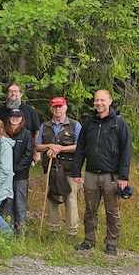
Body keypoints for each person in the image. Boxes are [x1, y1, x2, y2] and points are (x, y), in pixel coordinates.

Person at [72, 89, 132, 255]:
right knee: (90, 210)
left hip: (111, 175)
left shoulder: (119, 123)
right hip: (91, 173)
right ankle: (89, 240)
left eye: (102, 100)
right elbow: (80, 149)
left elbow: (126, 150)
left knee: (112, 211)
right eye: (96, 100)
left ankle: (111, 243)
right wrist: (76, 171)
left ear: (110, 101)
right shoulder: (88, 123)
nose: (99, 103)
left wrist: (123, 176)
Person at [35, 97, 82, 236]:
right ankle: (54, 229)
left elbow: (80, 146)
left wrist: (60, 149)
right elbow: (37, 146)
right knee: (52, 199)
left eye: (60, 106)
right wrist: (50, 146)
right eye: (55, 107)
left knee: (71, 199)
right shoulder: (44, 126)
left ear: (65, 107)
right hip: (51, 168)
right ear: (51, 109)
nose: (57, 109)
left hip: (69, 169)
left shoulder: (75, 125)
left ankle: (72, 231)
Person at [0, 109, 34, 234]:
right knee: (7, 204)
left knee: (20, 204)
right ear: (9, 118)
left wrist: (15, 169)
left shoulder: (26, 134)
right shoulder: (4, 134)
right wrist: (6, 171)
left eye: (18, 116)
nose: (15, 118)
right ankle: (7, 232)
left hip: (20, 176)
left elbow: (28, 155)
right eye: (13, 116)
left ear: (22, 119)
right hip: (5, 177)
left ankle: (21, 233)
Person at [0, 82, 41, 163]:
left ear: (21, 94)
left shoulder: (30, 111)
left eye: (15, 91)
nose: (13, 93)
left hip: (24, 154)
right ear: (7, 94)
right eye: (10, 91)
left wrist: (36, 152)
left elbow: (37, 132)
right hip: (2, 153)